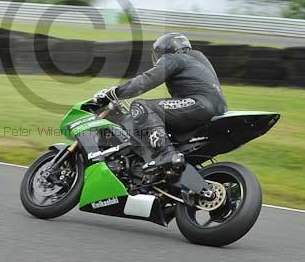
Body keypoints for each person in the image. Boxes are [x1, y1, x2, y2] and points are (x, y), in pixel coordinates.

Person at [93, 32, 227, 174]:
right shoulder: (198, 59)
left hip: (199, 104)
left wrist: (114, 93)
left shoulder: (175, 58)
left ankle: (166, 153)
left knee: (141, 106)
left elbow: (145, 81)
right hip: (214, 107)